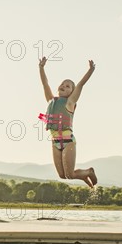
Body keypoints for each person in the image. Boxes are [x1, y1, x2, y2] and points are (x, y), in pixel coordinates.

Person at [38, 57, 97, 188]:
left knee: (70, 174)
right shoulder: (51, 100)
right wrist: (41, 68)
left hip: (68, 141)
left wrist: (90, 70)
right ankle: (84, 176)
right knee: (62, 176)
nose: (63, 86)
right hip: (55, 141)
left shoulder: (70, 103)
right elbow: (45, 84)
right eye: (62, 84)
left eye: (68, 86)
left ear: (72, 92)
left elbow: (80, 84)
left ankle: (89, 172)